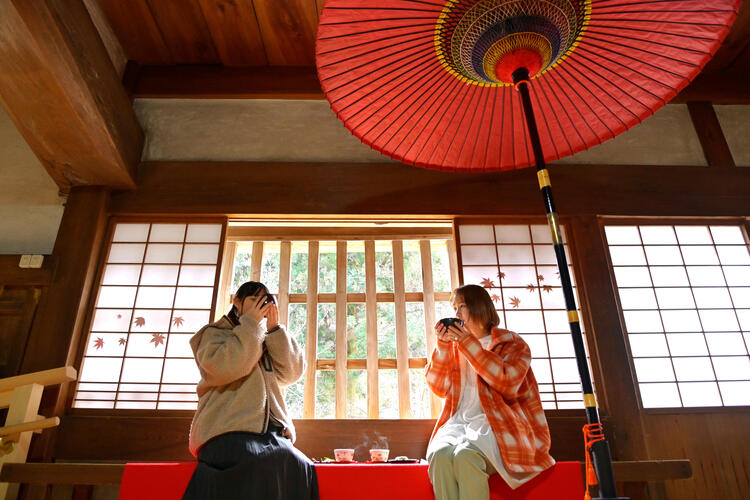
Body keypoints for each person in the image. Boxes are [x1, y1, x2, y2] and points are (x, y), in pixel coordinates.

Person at [182, 281, 318, 500]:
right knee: (263, 460)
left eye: (263, 301)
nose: (259, 306)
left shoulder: (265, 339)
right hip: (226, 430)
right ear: (237, 302)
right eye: (253, 300)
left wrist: (275, 331)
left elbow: (291, 373)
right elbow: (227, 367)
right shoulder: (214, 334)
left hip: (271, 434)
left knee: (301, 464)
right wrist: (251, 326)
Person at [425, 284, 554, 500]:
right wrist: (443, 346)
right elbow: (438, 387)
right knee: (439, 456)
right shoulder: (455, 346)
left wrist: (467, 342)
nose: (456, 314)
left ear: (479, 307)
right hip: (458, 424)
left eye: (461, 306)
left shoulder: (511, 343)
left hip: (499, 425)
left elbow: (506, 382)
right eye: (454, 308)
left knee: (465, 456)